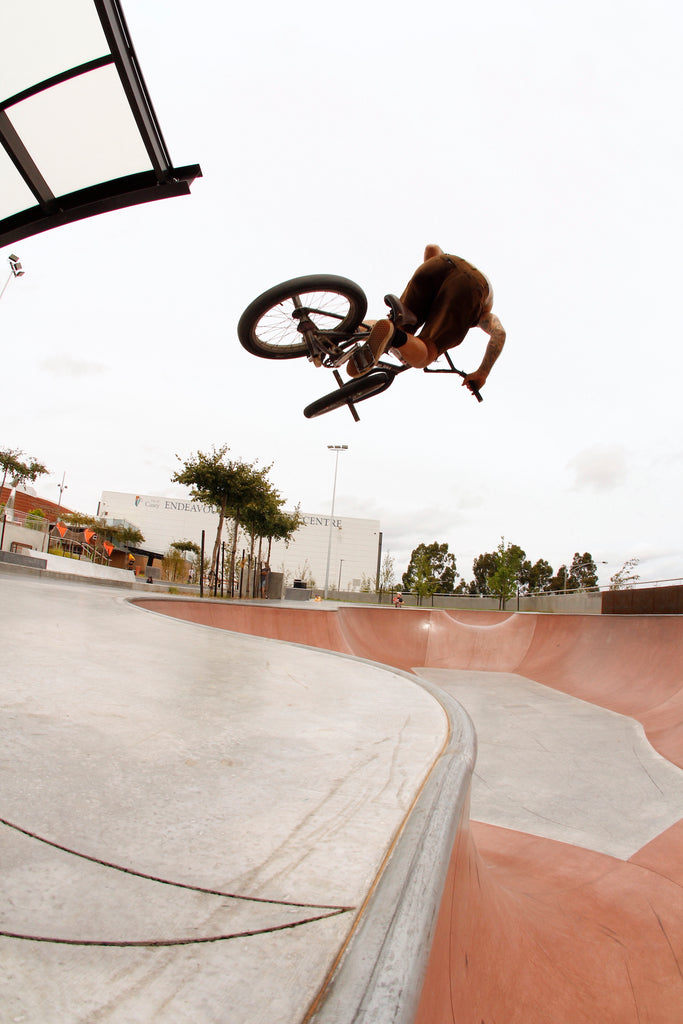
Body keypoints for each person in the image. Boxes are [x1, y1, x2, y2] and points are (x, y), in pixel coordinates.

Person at [347, 244, 505, 393]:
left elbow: (431, 248)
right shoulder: (483, 311)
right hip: (472, 287)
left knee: (397, 321)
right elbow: (499, 333)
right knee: (426, 351)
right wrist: (482, 373)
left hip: (441, 263)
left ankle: (343, 333)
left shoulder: (446, 270)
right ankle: (396, 335)